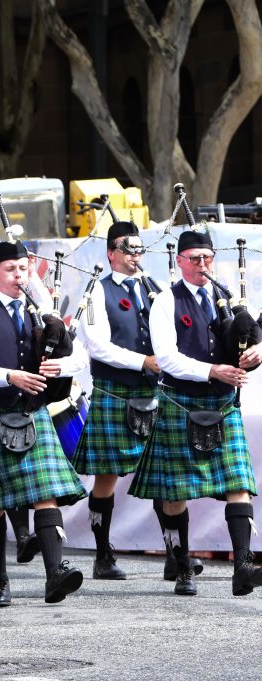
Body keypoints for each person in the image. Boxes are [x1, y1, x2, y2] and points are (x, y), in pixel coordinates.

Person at [0, 240, 87, 607]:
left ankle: (55, 573)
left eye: (24, 269)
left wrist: (61, 365)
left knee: (46, 493)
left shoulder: (43, 315)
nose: (19, 276)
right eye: (11, 270)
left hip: (33, 413)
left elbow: (81, 357)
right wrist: (10, 376)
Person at [129, 229, 262, 597]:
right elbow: (167, 358)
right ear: (180, 261)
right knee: (175, 494)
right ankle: (183, 563)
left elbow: (250, 336)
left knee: (239, 485)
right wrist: (211, 370)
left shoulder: (227, 298)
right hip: (181, 402)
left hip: (222, 404)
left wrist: (258, 352)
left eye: (207, 257)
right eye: (194, 259)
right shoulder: (165, 302)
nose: (202, 265)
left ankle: (243, 567)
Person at [73, 222, 159, 580]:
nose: (135, 257)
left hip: (155, 393)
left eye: (139, 250)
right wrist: (143, 361)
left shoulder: (156, 289)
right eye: (129, 250)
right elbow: (98, 346)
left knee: (164, 474)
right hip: (114, 392)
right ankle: (102, 554)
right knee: (106, 477)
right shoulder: (97, 291)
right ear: (112, 253)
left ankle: (176, 554)